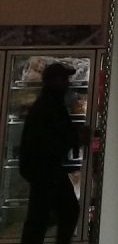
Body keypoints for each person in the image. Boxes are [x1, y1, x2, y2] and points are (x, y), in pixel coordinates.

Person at [19, 63, 80, 244]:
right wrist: (76, 138)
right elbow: (54, 138)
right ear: (53, 81)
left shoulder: (49, 103)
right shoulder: (49, 106)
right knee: (64, 211)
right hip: (45, 170)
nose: (67, 83)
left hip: (43, 170)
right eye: (64, 79)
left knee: (41, 218)